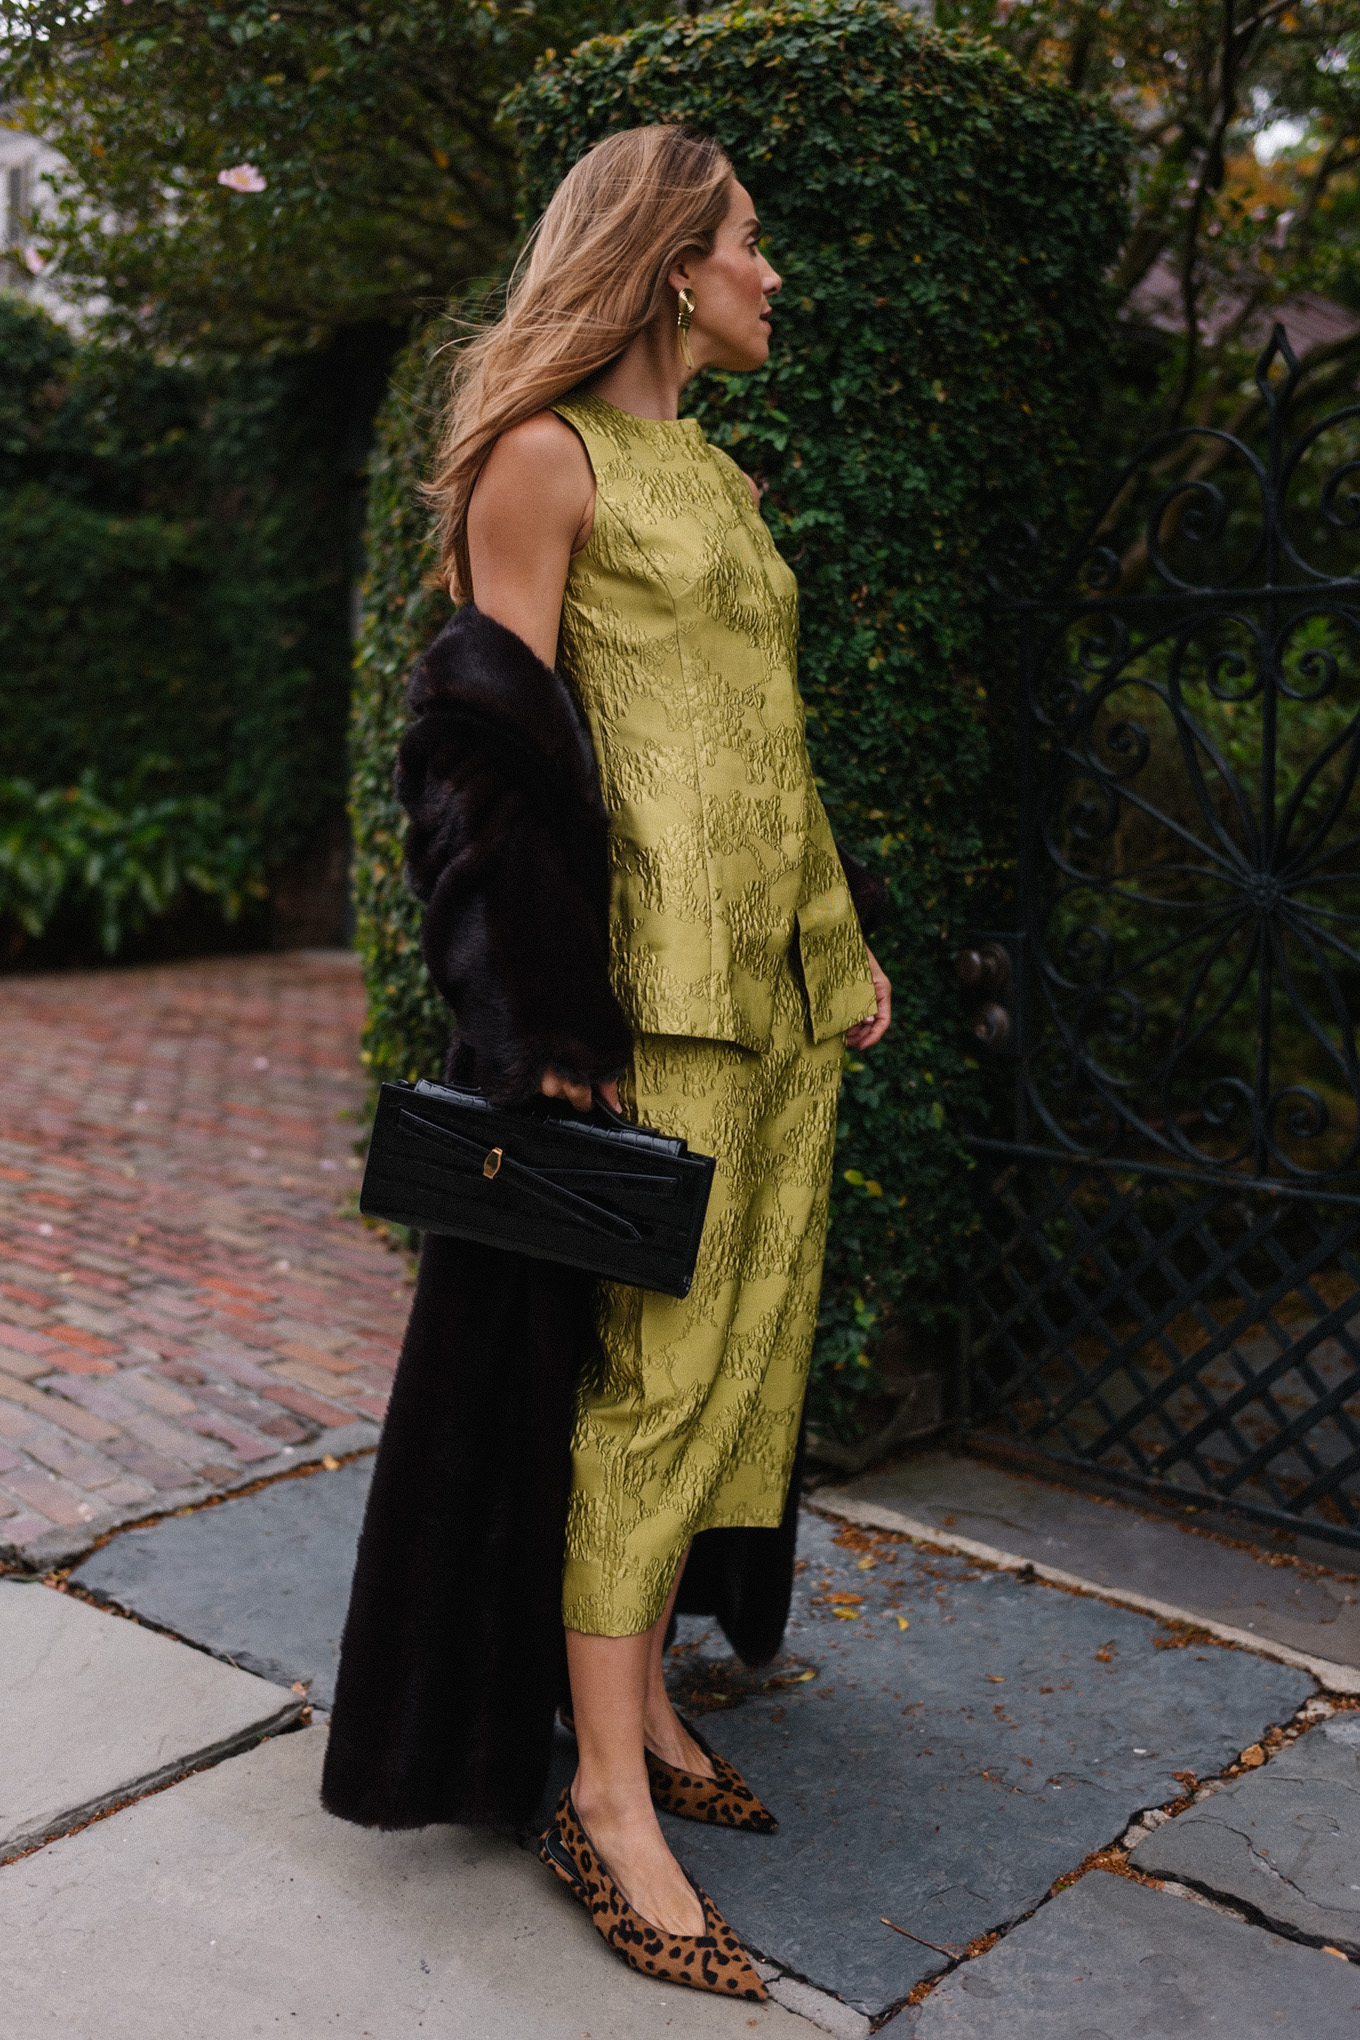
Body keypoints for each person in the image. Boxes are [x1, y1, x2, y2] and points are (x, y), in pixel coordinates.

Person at [322, 124, 891, 2005]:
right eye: (750, 245)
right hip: (655, 1003)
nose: (771, 275)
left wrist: (845, 939)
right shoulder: (541, 459)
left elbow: (763, 731)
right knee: (646, 1387)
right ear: (666, 262)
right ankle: (600, 1801)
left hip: (785, 995)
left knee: (739, 1366)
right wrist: (539, 1030)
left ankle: (640, 1704)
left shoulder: (719, 475)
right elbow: (478, 754)